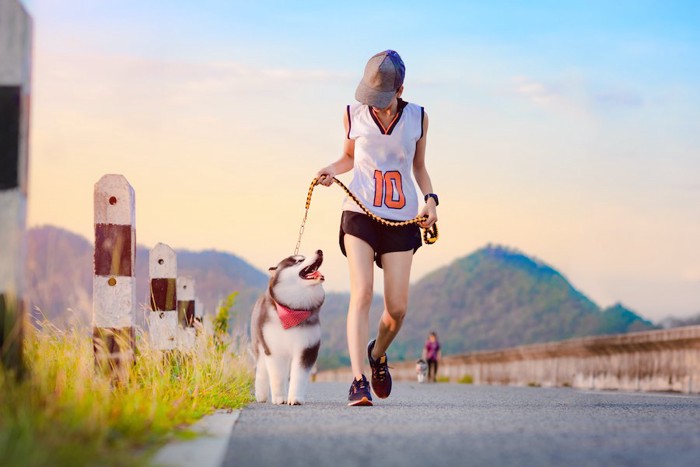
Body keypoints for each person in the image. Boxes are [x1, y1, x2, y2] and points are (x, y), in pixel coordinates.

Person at [316, 50, 438, 406]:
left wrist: (430, 200)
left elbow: (419, 167)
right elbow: (349, 157)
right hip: (359, 211)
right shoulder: (352, 114)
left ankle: (377, 354)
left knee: (397, 308)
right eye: (374, 100)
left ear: (401, 89)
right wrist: (331, 169)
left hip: (401, 218)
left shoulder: (418, 118)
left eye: (386, 101)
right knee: (363, 292)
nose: (380, 107)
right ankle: (357, 381)